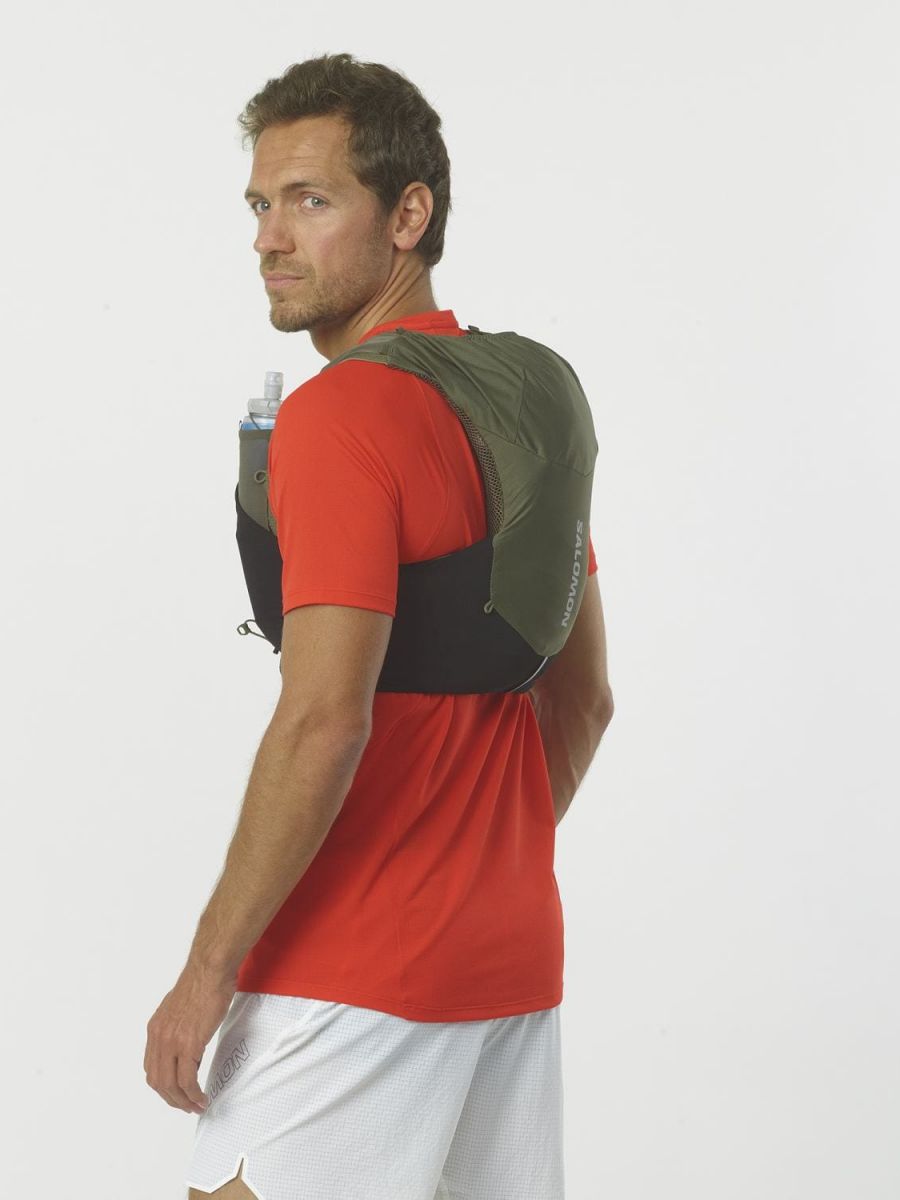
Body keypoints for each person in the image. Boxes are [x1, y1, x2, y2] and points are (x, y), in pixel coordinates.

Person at [144, 52, 615, 1200]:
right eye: (260, 205)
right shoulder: (533, 405)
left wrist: (205, 976)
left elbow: (323, 722)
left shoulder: (337, 417)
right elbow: (585, 696)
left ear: (410, 215)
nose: (270, 239)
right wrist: (461, 869)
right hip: (506, 963)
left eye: (310, 201)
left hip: (348, 972)